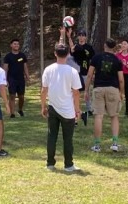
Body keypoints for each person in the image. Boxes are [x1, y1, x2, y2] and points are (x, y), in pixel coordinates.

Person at [41, 44, 82, 172]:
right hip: (67, 110)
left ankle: (50, 163)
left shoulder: (48, 69)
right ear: (68, 54)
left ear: (55, 54)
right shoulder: (72, 71)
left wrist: (43, 106)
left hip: (52, 107)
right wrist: (77, 109)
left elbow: (44, 90)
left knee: (51, 136)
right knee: (67, 138)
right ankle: (68, 164)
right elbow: (76, 93)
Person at [85, 38, 124, 152]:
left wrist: (86, 90)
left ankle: (97, 145)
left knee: (98, 116)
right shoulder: (117, 60)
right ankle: (115, 143)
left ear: (104, 46)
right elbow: (121, 79)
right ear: (114, 47)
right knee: (114, 116)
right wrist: (121, 93)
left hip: (99, 88)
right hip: (113, 89)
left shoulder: (96, 57)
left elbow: (89, 75)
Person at [71, 29, 95, 124]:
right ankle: (76, 110)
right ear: (78, 37)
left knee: (87, 91)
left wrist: (92, 73)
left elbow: (93, 60)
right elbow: (71, 54)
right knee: (75, 92)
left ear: (85, 37)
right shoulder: (75, 47)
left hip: (86, 71)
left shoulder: (89, 47)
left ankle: (89, 109)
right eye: (79, 35)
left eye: (83, 35)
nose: (81, 37)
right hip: (76, 72)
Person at [3, 38, 29, 118]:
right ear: (11, 45)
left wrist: (27, 76)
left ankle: (20, 109)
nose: (16, 45)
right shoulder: (8, 56)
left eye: (17, 44)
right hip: (11, 79)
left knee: (21, 96)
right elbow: (5, 68)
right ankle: (12, 113)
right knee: (12, 95)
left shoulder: (22, 56)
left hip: (21, 79)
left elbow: (25, 66)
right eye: (14, 44)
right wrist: (5, 79)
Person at [115, 39, 128, 117]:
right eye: (122, 44)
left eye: (125, 44)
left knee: (127, 94)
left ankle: (126, 111)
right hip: (119, 75)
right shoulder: (117, 55)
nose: (123, 45)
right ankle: (116, 110)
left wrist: (125, 65)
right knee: (117, 93)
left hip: (127, 76)